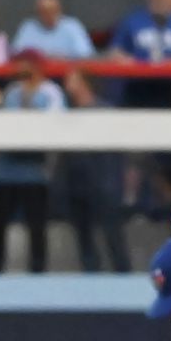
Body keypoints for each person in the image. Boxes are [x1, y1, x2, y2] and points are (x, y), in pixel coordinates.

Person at [0, 50, 65, 273]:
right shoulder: (11, 93)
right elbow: (3, 124)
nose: (22, 70)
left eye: (27, 65)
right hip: (6, 170)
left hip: (34, 171)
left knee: (36, 226)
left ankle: (38, 271)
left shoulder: (51, 93)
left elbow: (54, 125)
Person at [58, 70, 131, 273]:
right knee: (84, 237)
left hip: (104, 181)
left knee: (113, 235)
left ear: (84, 83)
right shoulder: (68, 115)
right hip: (77, 182)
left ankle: (123, 276)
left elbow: (120, 149)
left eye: (72, 79)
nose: (66, 85)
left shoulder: (105, 111)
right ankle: (90, 278)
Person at [11, 0, 95, 59]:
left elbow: (85, 54)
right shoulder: (28, 27)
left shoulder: (72, 26)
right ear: (37, 13)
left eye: (52, 11)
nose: (48, 15)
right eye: (44, 12)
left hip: (65, 74)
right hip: (34, 76)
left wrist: (63, 57)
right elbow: (16, 53)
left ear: (59, 10)